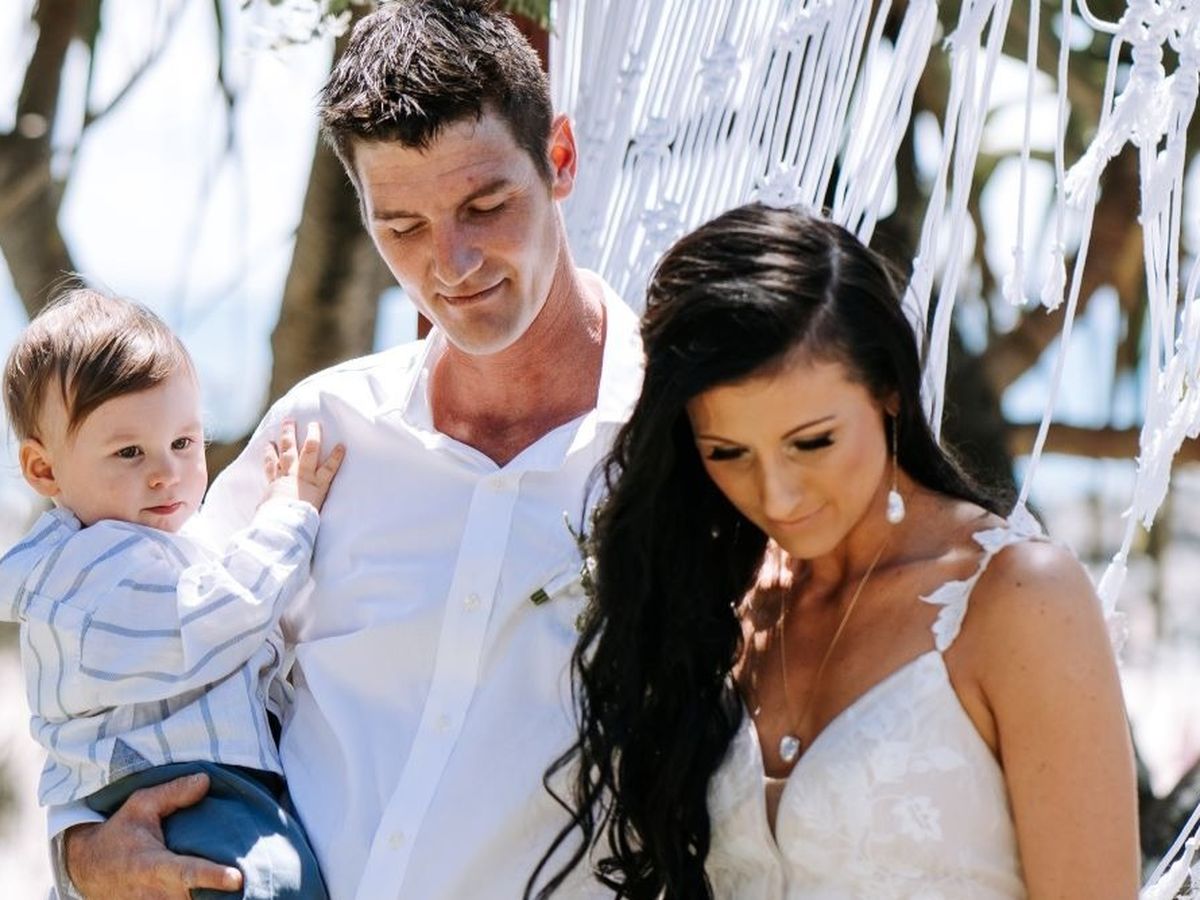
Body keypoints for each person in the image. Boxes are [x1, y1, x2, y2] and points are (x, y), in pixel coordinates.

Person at [54, 1, 642, 897]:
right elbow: (148, 660)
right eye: (402, 226)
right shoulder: (320, 430)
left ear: (559, 159)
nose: (451, 264)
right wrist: (79, 850)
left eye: (485, 206)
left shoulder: (680, 443)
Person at [534, 203, 1140, 899]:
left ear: (889, 390)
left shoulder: (1019, 598)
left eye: (812, 442)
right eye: (728, 453)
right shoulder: (717, 607)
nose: (778, 494)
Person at [1, 288, 343, 899]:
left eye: (184, 443)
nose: (167, 473)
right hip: (179, 787)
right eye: (129, 452)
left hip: (176, 784)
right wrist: (288, 516)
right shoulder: (93, 566)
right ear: (44, 470)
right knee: (270, 883)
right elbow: (217, 617)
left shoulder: (144, 550)